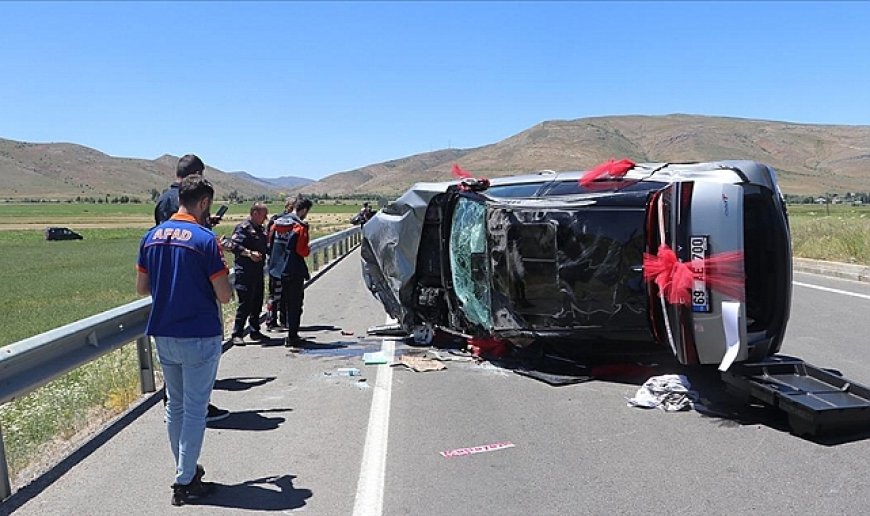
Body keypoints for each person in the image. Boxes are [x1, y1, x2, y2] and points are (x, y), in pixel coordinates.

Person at [136, 175, 233, 506]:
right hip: (199, 334)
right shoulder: (206, 240)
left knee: (174, 406)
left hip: (164, 332)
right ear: (204, 202)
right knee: (194, 409)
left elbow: (142, 288)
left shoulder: (150, 236)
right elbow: (225, 296)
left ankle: (185, 467)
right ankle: (185, 480)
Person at [154, 154, 229, 423]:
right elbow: (194, 237)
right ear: (195, 175)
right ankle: (196, 410)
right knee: (195, 354)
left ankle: (173, 407)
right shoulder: (187, 201)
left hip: (165, 280)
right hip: (193, 281)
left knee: (172, 361)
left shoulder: (162, 199)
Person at [268, 198, 313, 345]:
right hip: (292, 270)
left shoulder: (276, 223)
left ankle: (277, 324)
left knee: (278, 299)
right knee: (294, 305)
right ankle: (292, 336)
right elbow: (303, 251)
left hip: (276, 269)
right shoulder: (299, 226)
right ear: (304, 210)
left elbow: (269, 244)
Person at [224, 202, 269, 345]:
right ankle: (237, 333)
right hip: (245, 272)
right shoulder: (243, 228)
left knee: (257, 302)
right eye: (263, 214)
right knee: (245, 303)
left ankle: (255, 330)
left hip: (257, 271)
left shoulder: (260, 229)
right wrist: (249, 254)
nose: (265, 218)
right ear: (255, 213)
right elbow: (233, 245)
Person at [265, 196, 298, 330]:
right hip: (281, 261)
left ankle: (279, 321)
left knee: (278, 294)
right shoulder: (286, 221)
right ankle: (273, 321)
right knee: (278, 294)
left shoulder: (275, 220)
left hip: (274, 261)